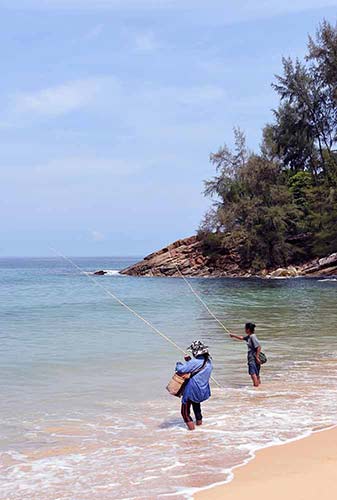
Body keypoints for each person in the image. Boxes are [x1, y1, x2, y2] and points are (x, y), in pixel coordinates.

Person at [175, 340, 213, 430]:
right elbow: (196, 368)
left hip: (191, 390)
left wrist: (178, 364)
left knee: (185, 413)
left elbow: (181, 369)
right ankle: (200, 428)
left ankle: (192, 433)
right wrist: (189, 361)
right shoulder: (209, 362)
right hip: (202, 390)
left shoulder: (194, 362)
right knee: (197, 409)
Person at [230, 323, 262, 387]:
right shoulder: (249, 336)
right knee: (256, 373)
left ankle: (256, 387)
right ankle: (259, 387)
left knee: (253, 373)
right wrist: (233, 335)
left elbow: (259, 347)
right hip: (254, 357)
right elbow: (242, 338)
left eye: (245, 328)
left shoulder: (252, 337)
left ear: (248, 329)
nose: (244, 330)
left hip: (253, 357)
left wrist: (257, 357)